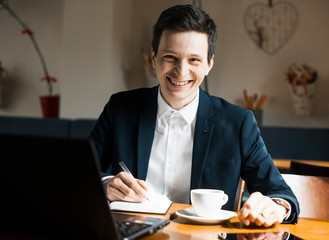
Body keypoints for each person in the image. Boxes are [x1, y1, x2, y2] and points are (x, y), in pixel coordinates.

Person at [91, 4, 299, 227]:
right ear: (153, 59)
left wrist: (276, 207)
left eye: (194, 60)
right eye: (170, 57)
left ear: (209, 64)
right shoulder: (120, 108)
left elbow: (282, 194)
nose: (181, 72)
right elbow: (78, 174)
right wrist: (105, 184)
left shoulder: (238, 123)